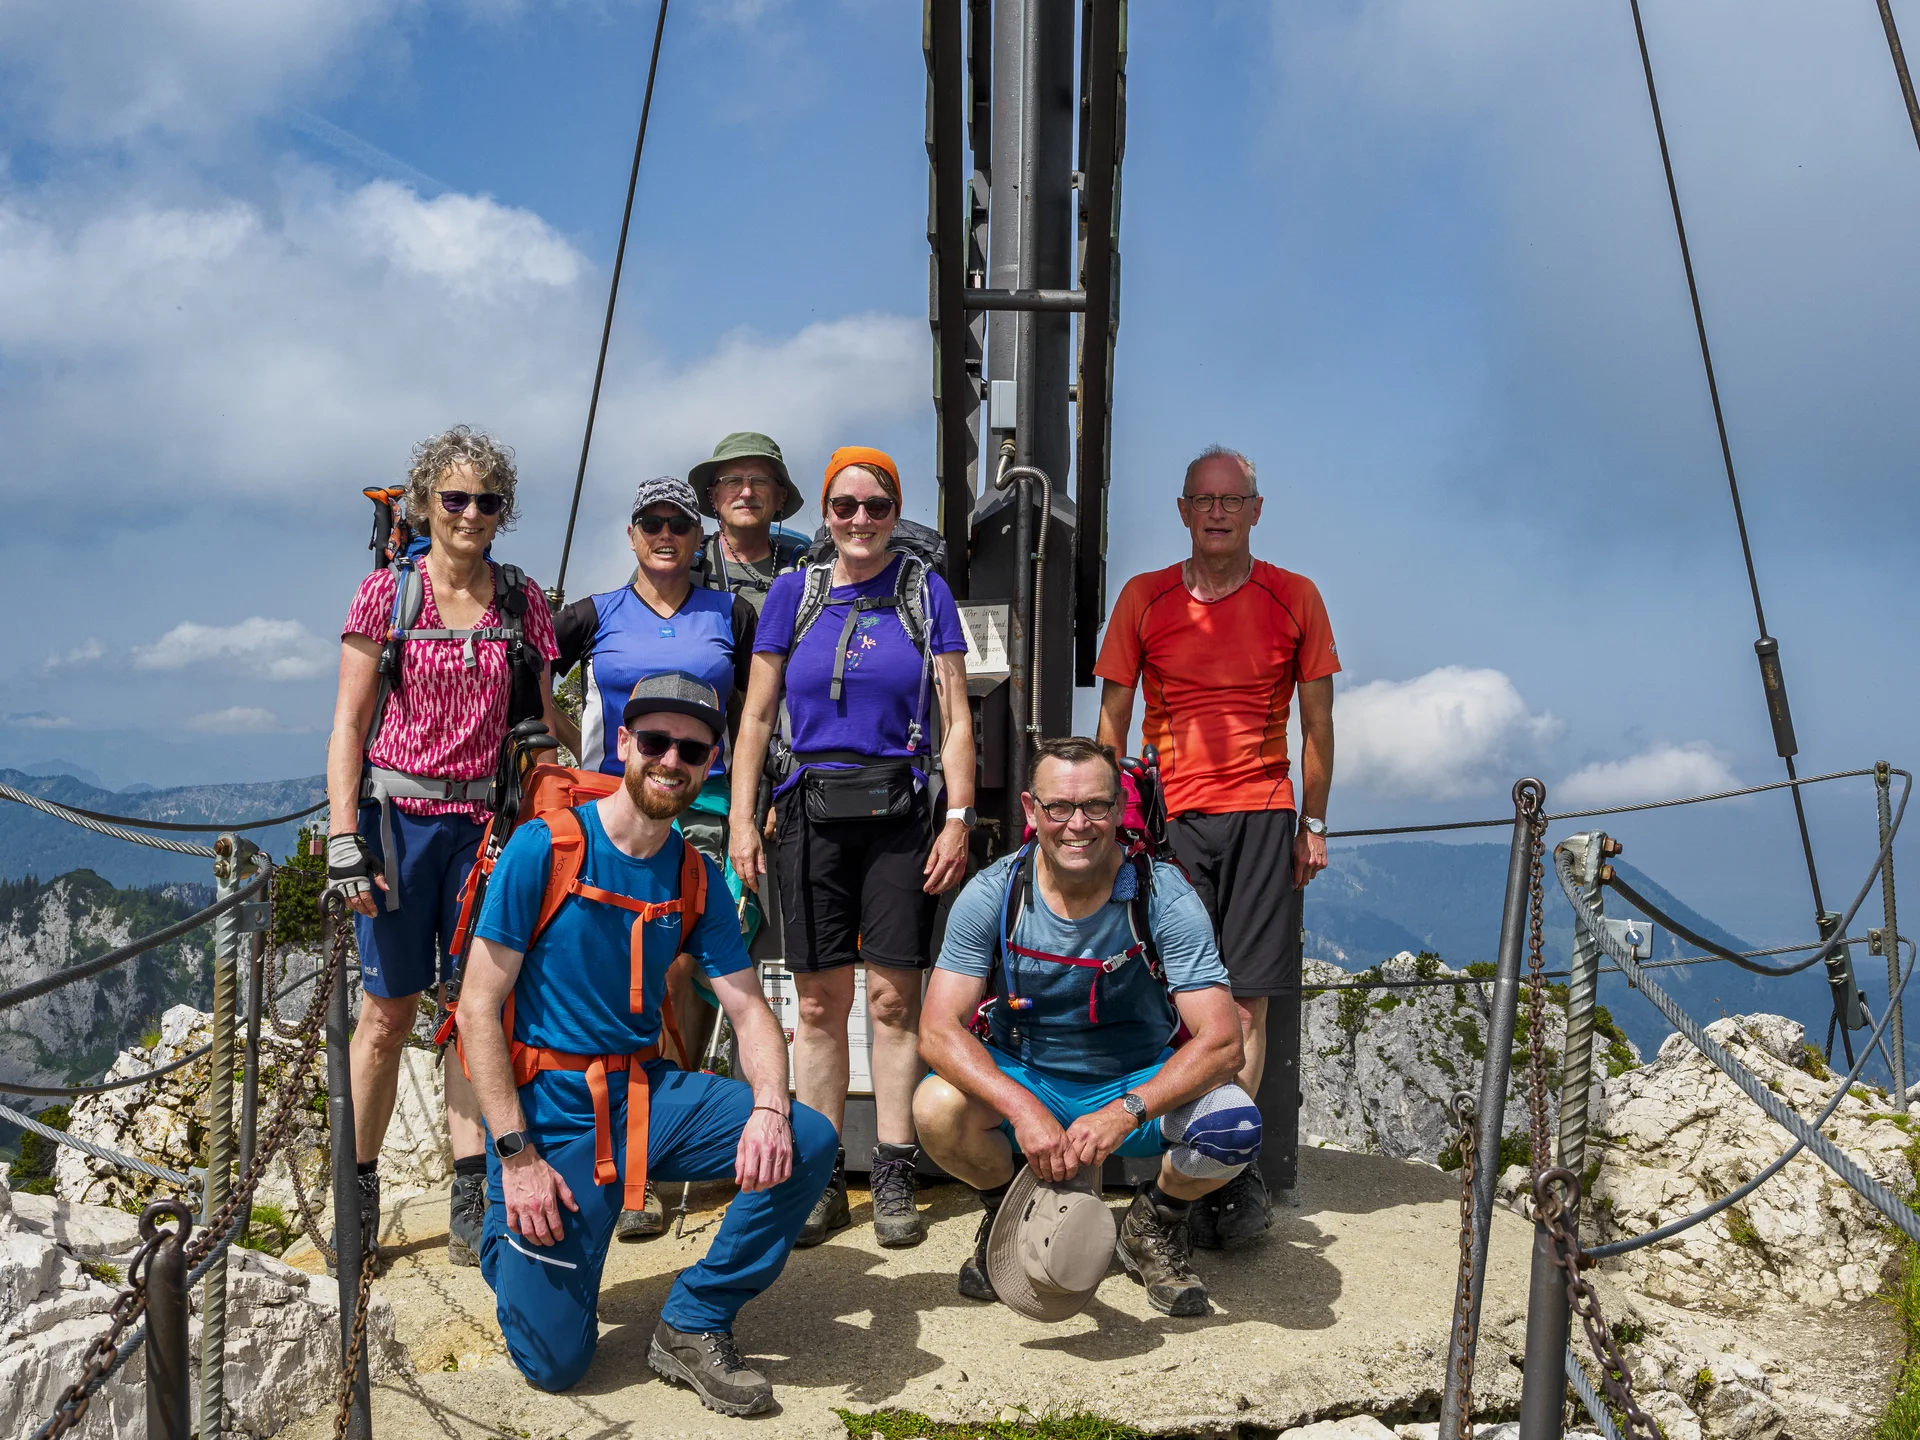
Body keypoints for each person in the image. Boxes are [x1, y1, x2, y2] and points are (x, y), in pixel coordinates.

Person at [455, 674, 838, 1413]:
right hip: (552, 1116)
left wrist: (768, 1107)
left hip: (646, 1092)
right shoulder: (545, 848)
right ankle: (508, 1234)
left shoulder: (694, 874)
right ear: (625, 744)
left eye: (691, 750)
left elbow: (749, 1008)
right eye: (656, 742)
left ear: (709, 762)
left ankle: (694, 1317)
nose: (672, 760)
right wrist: (516, 1159)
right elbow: (477, 1009)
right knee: (556, 1364)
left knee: (808, 1139)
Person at [913, 737, 1261, 1317]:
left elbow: (1224, 1042)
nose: (1078, 824)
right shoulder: (995, 894)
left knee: (1232, 1125)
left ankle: (1153, 1224)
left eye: (1096, 806)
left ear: (1118, 808)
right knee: (935, 1108)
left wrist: (1124, 1111)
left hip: (1133, 1083)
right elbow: (937, 1030)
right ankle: (1009, 1214)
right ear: (1031, 810)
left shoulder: (1162, 896)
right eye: (1059, 808)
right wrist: (1022, 1110)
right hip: (1027, 1078)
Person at [326, 426, 561, 1269]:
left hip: (486, 830)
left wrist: (550, 743)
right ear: (425, 503)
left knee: (474, 1011)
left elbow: (548, 725)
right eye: (452, 499)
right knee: (387, 1016)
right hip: (397, 823)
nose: (468, 514)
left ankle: (471, 1188)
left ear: (504, 513)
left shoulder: (522, 602)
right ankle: (355, 1188)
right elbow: (351, 724)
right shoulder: (384, 597)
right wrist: (343, 837)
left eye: (485, 501)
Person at [729, 446, 975, 1250]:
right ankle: (823, 1175)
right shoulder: (793, 596)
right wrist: (741, 818)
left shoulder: (923, 591)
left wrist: (959, 819)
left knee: (895, 1002)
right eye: (845, 506)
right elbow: (758, 718)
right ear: (825, 515)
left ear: (895, 513)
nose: (861, 520)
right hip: (807, 813)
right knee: (815, 1005)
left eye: (876, 506)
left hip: (903, 813)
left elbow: (955, 716)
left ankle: (895, 1169)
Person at [1093, 443, 1338, 1248]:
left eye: (1233, 499)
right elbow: (1112, 721)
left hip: (1265, 811)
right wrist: (1105, 818)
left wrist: (1315, 822)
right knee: (1179, 1000)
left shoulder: (1295, 597)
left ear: (1256, 511)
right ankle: (1185, 1155)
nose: (1219, 511)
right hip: (1170, 819)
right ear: (1183, 511)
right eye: (1204, 498)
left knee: (1247, 1001)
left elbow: (1318, 723)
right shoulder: (1145, 597)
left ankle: (1231, 1172)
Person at [550, 474, 758, 1241]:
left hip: (706, 813)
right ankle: (632, 1157)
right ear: (632, 534)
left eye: (679, 522)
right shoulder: (593, 614)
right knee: (617, 969)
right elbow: (530, 675)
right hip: (613, 810)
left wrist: (748, 812)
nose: (665, 533)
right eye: (651, 522)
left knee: (690, 968)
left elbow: (758, 711)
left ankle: (672, 1136)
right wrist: (579, 758)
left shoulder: (730, 614)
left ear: (696, 536)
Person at [687, 431, 813, 613]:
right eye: (733, 481)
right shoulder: (680, 568)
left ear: (781, 497)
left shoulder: (808, 574)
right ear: (712, 496)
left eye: (760, 481)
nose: (747, 492)